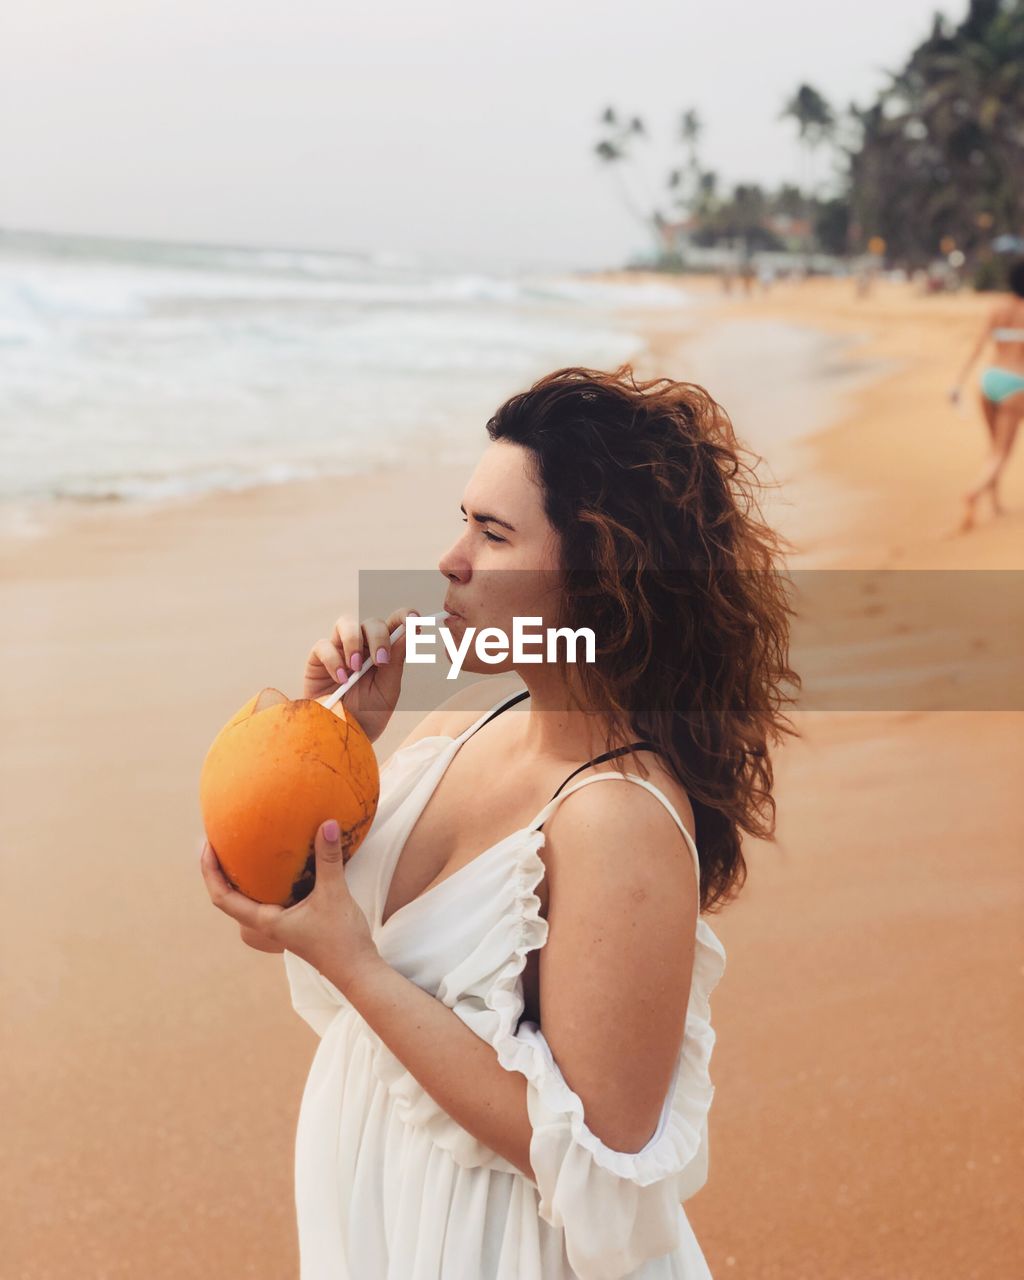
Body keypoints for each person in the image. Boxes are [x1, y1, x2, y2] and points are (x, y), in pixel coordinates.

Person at [201, 363, 800, 1278]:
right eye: (461, 520)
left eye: (492, 531)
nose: (451, 559)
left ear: (600, 572)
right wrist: (330, 746)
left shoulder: (618, 817)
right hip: (379, 1213)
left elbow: (607, 1155)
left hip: (490, 1248)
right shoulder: (460, 723)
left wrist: (358, 967)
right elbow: (279, 915)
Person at [948, 257, 1024, 533]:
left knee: (994, 449)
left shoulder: (997, 308)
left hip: (989, 380)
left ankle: (996, 502)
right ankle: (975, 492)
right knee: (1003, 452)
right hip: (1017, 384)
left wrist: (958, 382)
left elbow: (978, 348)